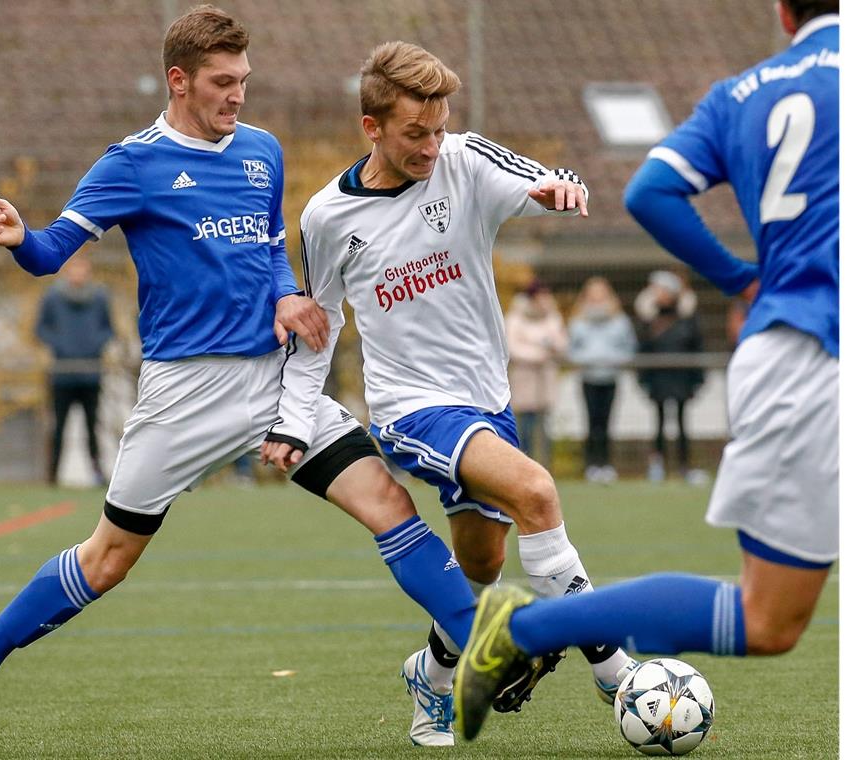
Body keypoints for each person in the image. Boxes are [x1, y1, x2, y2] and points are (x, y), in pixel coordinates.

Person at [0, 8, 481, 755]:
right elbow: (53, 252)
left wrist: (286, 293)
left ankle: (487, 652)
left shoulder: (261, 152)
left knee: (385, 500)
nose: (237, 96)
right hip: (183, 395)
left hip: (273, 381)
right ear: (178, 82)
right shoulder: (132, 162)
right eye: (222, 83)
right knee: (107, 561)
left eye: (243, 81)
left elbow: (271, 250)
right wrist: (22, 239)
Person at [455, 0, 838, 743]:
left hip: (792, 349)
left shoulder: (743, 93)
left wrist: (740, 278)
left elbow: (649, 192)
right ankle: (529, 627)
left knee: (765, 619)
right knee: (769, 620)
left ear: (784, 14)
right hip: (831, 351)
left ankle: (529, 627)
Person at [261, 40, 636, 748]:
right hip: (412, 407)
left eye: (438, 128)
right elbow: (316, 330)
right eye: (414, 133)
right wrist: (293, 418)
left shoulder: (464, 159)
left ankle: (430, 680)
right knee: (536, 492)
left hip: (486, 397)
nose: (432, 146)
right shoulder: (325, 219)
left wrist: (560, 191)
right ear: (372, 127)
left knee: (482, 564)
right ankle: (622, 678)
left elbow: (538, 180)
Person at [34, 253, 114, 486]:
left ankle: (98, 475)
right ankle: (52, 477)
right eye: (74, 269)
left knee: (92, 428)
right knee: (58, 428)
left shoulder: (100, 297)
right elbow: (41, 329)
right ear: (67, 272)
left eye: (83, 269)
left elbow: (108, 329)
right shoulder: (52, 297)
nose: (78, 274)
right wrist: (62, 345)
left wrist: (94, 345)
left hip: (91, 373)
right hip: (62, 374)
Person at [633, 270, 707, 484]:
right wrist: (643, 380)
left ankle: (684, 466)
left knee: (683, 424)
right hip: (658, 380)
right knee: (658, 424)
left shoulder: (687, 319)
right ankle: (657, 466)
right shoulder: (648, 319)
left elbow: (697, 348)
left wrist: (697, 380)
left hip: (682, 379)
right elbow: (642, 350)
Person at [567, 276, 636, 484]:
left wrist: (613, 360)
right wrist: (587, 359)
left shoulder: (620, 321)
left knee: (606, 422)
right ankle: (591, 465)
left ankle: (606, 464)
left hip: (610, 377)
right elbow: (570, 350)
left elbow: (629, 348)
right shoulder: (578, 322)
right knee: (591, 422)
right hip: (588, 377)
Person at [504, 279, 568, 469]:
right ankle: (525, 467)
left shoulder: (552, 317)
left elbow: (562, 344)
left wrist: (543, 345)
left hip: (546, 379)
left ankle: (546, 467)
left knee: (546, 425)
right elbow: (513, 348)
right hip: (525, 378)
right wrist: (541, 351)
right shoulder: (515, 318)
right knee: (525, 425)